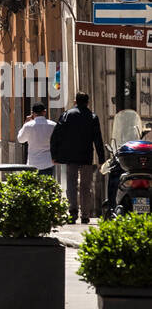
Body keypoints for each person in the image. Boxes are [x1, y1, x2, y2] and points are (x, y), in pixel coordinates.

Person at [50, 91, 105, 224]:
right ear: (87, 102)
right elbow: (98, 139)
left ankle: (72, 212)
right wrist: (101, 158)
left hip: (70, 157)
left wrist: (55, 155)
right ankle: (85, 214)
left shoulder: (67, 115)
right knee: (86, 185)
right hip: (86, 156)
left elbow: (56, 136)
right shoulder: (92, 117)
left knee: (71, 184)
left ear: (75, 101)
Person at [17, 102, 56, 177]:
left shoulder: (28, 126)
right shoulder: (53, 125)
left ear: (32, 113)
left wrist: (25, 123)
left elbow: (20, 139)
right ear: (44, 112)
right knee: (47, 186)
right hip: (48, 162)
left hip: (33, 162)